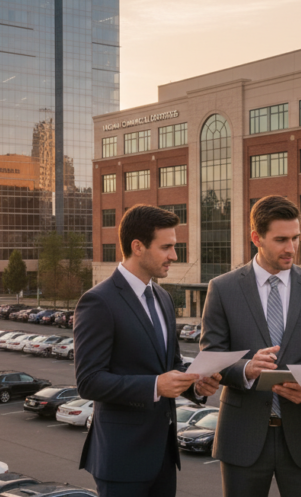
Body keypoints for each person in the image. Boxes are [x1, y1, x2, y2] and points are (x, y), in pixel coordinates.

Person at [200, 195, 301, 497]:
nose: (291, 248)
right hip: (242, 436)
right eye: (281, 239)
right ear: (256, 237)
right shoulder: (223, 288)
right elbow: (210, 356)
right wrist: (246, 370)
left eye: (295, 238)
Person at [74, 204, 221, 497]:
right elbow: (88, 381)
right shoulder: (98, 302)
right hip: (121, 460)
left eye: (174, 247)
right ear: (137, 247)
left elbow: (172, 364)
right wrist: (155, 386)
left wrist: (196, 384)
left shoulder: (164, 298)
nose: (174, 256)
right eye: (166, 247)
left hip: (164, 457)